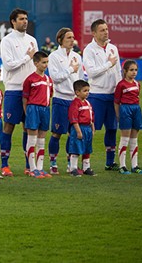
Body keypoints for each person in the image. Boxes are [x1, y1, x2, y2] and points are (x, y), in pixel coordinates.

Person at [0, 8, 38, 176]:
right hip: (14, 89)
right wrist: (27, 57)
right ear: (13, 22)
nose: (25, 21)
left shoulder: (32, 40)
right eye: (21, 19)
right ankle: (4, 165)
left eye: (26, 18)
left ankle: (29, 165)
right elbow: (8, 65)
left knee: (28, 127)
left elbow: (37, 64)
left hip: (32, 91)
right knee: (8, 126)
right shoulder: (6, 41)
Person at [82, 19, 122, 171]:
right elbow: (91, 72)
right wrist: (108, 64)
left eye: (106, 29)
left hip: (112, 96)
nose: (106, 32)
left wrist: (119, 93)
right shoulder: (89, 50)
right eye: (102, 30)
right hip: (96, 95)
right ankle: (86, 164)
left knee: (112, 129)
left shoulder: (113, 48)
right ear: (94, 33)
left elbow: (118, 71)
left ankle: (110, 162)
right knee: (91, 130)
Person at [48, 28, 83, 174]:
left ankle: (71, 163)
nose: (72, 40)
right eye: (68, 37)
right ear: (60, 39)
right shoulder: (54, 56)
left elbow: (80, 79)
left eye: (73, 37)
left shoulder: (77, 57)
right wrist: (70, 69)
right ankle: (53, 162)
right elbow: (55, 77)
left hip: (74, 100)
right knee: (57, 133)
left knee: (73, 133)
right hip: (60, 99)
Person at [22, 51, 53, 178]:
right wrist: (28, 113)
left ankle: (40, 168)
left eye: (47, 62)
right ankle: (32, 168)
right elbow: (25, 99)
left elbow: (49, 95)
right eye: (43, 62)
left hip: (45, 109)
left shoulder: (48, 80)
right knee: (32, 139)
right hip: (33, 109)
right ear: (36, 63)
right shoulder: (30, 79)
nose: (46, 65)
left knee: (41, 140)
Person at [114, 60, 142, 175]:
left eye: (136, 70)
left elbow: (137, 97)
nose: (134, 72)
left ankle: (134, 166)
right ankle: (122, 166)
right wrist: (118, 115)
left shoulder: (137, 84)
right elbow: (116, 101)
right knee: (125, 138)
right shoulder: (121, 84)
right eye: (131, 70)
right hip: (125, 110)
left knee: (134, 139)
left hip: (136, 109)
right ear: (125, 71)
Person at [67, 80, 96, 177]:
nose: (87, 92)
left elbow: (91, 117)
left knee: (87, 148)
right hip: (79, 128)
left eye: (88, 90)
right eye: (85, 90)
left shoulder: (87, 103)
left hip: (87, 128)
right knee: (76, 148)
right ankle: (73, 168)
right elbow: (74, 119)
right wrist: (78, 131)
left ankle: (86, 167)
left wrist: (92, 128)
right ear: (77, 92)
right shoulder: (75, 104)